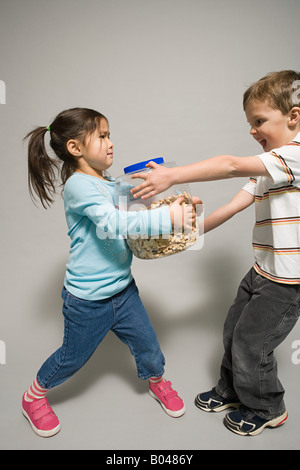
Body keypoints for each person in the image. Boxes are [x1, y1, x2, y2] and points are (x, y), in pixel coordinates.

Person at [131, 70, 300, 436]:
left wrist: (173, 176)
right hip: (262, 270)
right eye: (249, 123)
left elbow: (230, 164)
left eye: (259, 121)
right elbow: (232, 208)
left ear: (294, 117)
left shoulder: (294, 157)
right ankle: (233, 390)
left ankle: (267, 406)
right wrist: (183, 234)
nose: (253, 131)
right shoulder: (269, 165)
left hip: (287, 282)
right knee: (232, 332)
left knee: (251, 343)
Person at [23, 107, 199, 437]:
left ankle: (156, 382)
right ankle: (33, 398)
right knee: (70, 359)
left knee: (147, 344)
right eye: (102, 136)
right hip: (87, 300)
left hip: (123, 290)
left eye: (110, 135)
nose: (111, 143)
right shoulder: (78, 187)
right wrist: (168, 219)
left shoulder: (109, 182)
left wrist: (170, 197)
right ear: (75, 148)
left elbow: (135, 214)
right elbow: (113, 222)